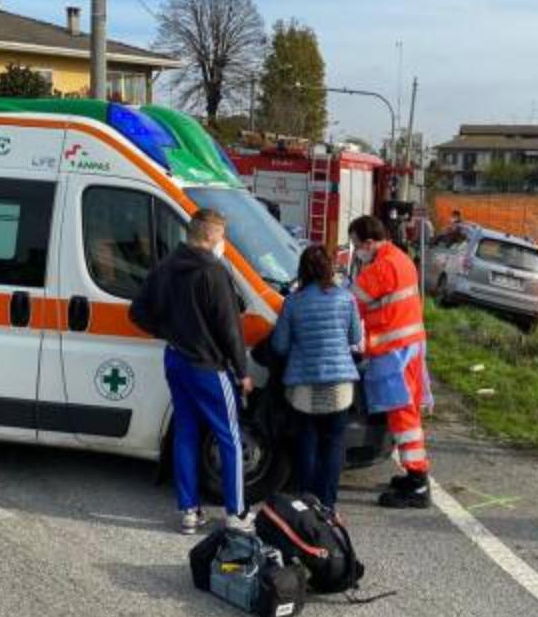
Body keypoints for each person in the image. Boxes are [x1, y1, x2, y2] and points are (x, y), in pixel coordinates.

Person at [129, 208, 255, 534]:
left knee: (185, 432)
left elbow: (137, 311)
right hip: (208, 366)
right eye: (222, 236)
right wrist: (242, 371)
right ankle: (236, 513)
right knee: (229, 437)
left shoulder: (167, 266)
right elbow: (230, 328)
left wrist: (167, 332)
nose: (223, 242)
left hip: (176, 359)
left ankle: (188, 511)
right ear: (211, 235)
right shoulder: (214, 272)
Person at [348, 215, 432, 508]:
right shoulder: (400, 258)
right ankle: (414, 476)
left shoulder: (380, 268)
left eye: (357, 245)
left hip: (394, 352)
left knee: (403, 418)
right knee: (407, 415)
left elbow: (347, 303)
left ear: (369, 242)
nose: (357, 251)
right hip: (407, 349)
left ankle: (418, 482)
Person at [271, 245, 363, 509]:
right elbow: (355, 338)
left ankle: (306, 502)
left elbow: (279, 345)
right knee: (333, 444)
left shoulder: (293, 302)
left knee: (307, 442)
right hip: (340, 384)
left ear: (302, 270)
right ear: (329, 268)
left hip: (304, 384)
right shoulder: (345, 298)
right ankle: (329, 506)